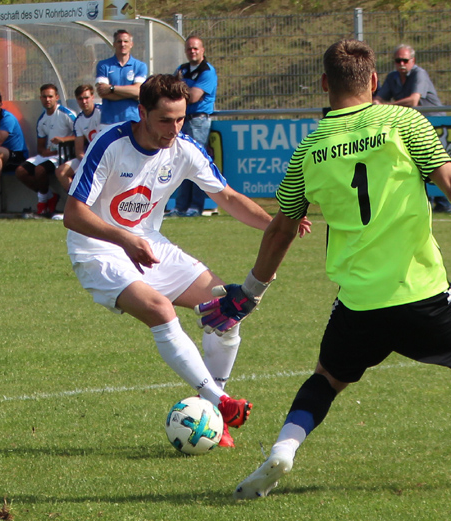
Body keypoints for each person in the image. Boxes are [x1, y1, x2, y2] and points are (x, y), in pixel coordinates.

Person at [193, 40, 451, 499]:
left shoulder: (309, 149)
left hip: (357, 301)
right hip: (420, 292)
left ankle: (284, 448)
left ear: (326, 84)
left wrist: (250, 293)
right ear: (374, 82)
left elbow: (280, 231)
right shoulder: (402, 122)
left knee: (327, 379)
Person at [62, 74, 311, 448]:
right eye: (165, 120)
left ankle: (216, 412)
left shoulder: (184, 148)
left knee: (226, 311)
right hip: (96, 247)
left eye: (180, 119)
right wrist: (126, 239)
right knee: (161, 309)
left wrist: (279, 224)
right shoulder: (110, 144)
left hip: (148, 243)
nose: (173, 129)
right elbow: (73, 214)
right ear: (142, 113)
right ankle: (220, 402)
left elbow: (226, 197)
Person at [372, 44, 451, 213]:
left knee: (435, 164)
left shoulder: (419, 73)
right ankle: (426, 201)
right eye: (398, 60)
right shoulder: (393, 77)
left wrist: (388, 106)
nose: (401, 64)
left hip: (433, 123)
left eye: (405, 60)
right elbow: (378, 98)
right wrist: (377, 104)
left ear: (412, 61)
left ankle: (445, 203)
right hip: (411, 124)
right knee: (415, 165)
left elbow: (414, 100)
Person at [167, 35, 218, 218]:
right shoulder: (182, 69)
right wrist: (182, 89)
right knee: (181, 162)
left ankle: (195, 206)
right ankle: (180, 206)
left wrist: (179, 87)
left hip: (198, 121)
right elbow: (170, 91)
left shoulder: (207, 71)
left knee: (195, 162)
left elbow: (194, 97)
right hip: (181, 119)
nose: (192, 51)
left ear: (202, 50)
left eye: (196, 48)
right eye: (189, 49)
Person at [15, 83, 77, 217]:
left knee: (40, 170)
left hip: (64, 155)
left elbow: (80, 135)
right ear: (40, 98)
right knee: (20, 171)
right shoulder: (42, 119)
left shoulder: (66, 114)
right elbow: (41, 146)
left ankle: (42, 204)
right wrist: (44, 152)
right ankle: (49, 195)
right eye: (44, 97)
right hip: (49, 155)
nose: (47, 100)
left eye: (50, 96)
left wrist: (63, 140)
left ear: (57, 97)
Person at [55, 85, 102, 192]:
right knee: (61, 172)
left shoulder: (102, 112)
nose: (84, 101)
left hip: (105, 156)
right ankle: (77, 198)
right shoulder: (79, 121)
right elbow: (79, 151)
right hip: (89, 157)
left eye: (86, 98)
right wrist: (87, 160)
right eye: (80, 99)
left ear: (92, 97)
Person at [95, 29, 147, 127]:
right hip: (109, 121)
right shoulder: (103, 65)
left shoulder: (140, 66)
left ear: (131, 44)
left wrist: (112, 88)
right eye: (119, 41)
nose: (122, 44)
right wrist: (131, 93)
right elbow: (102, 92)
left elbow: (138, 91)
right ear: (114, 44)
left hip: (133, 120)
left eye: (126, 41)